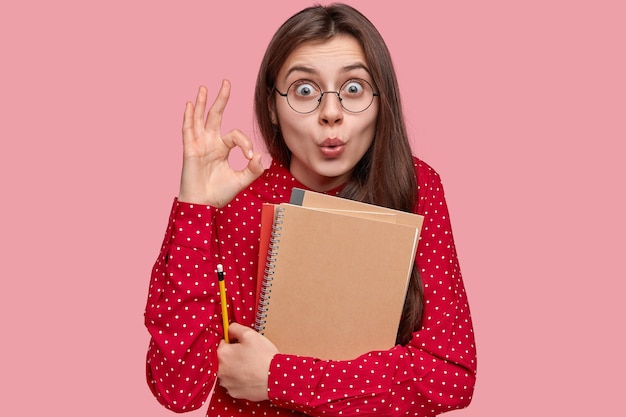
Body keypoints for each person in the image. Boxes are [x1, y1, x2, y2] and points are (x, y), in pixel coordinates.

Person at [144, 3, 476, 416]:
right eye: (305, 90)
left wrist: (276, 377)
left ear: (380, 100)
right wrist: (194, 207)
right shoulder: (235, 200)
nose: (331, 113)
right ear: (272, 107)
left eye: (353, 88)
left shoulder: (414, 187)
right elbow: (178, 390)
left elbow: (450, 375)